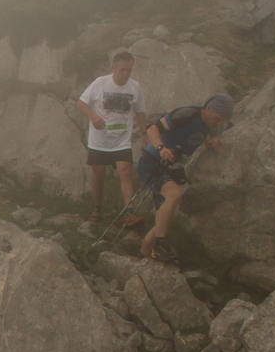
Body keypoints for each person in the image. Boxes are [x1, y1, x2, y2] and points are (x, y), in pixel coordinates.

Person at [138, 93, 234, 262]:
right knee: (174, 195)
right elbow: (152, 129)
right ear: (208, 109)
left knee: (165, 214)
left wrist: (212, 141)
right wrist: (161, 148)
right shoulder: (186, 115)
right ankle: (160, 245)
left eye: (222, 120)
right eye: (217, 118)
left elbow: (207, 135)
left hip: (173, 169)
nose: (218, 123)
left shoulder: (210, 125)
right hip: (153, 162)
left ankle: (144, 252)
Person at [77, 51, 147, 226]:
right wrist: (93, 117)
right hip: (99, 140)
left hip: (121, 140)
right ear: (113, 68)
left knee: (125, 171)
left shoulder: (135, 87)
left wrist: (145, 134)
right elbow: (81, 103)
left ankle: (129, 214)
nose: (125, 74)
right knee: (98, 174)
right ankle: (97, 209)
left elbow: (140, 112)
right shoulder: (100, 83)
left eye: (129, 70)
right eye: (122, 70)